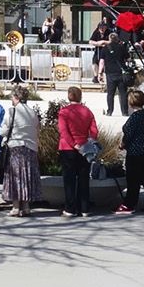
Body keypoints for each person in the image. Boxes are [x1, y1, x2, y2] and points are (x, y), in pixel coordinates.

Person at [56, 85, 100, 218]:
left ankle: (70, 208)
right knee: (83, 178)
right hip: (85, 148)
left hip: (68, 148)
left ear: (69, 96)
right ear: (80, 96)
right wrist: (89, 141)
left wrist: (73, 144)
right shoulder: (87, 111)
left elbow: (63, 131)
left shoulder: (64, 112)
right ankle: (84, 207)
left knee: (69, 179)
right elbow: (94, 131)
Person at [0, 85, 40, 217]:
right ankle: (26, 206)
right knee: (26, 177)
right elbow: (37, 129)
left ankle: (16, 207)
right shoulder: (32, 112)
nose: (11, 98)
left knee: (15, 177)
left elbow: (3, 130)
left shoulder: (12, 111)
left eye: (11, 96)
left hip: (16, 148)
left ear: (16, 97)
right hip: (31, 148)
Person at [117, 91, 144, 214]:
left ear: (130, 103)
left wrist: (122, 144)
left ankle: (129, 204)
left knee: (132, 179)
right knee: (140, 178)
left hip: (134, 152)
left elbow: (128, 133)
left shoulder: (134, 117)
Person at [103, 27, 132, 116]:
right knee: (123, 93)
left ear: (109, 39)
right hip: (121, 73)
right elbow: (128, 58)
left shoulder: (105, 48)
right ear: (117, 39)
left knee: (110, 94)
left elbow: (101, 61)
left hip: (110, 73)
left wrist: (100, 73)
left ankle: (109, 111)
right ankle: (124, 112)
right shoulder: (122, 47)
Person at [88, 16, 112, 83]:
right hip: (98, 50)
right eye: (100, 27)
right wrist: (97, 43)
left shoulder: (109, 32)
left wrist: (104, 42)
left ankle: (104, 78)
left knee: (105, 64)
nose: (101, 29)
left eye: (103, 27)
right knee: (94, 62)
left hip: (107, 50)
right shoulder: (96, 32)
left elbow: (112, 40)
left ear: (106, 27)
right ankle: (96, 77)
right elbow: (90, 41)